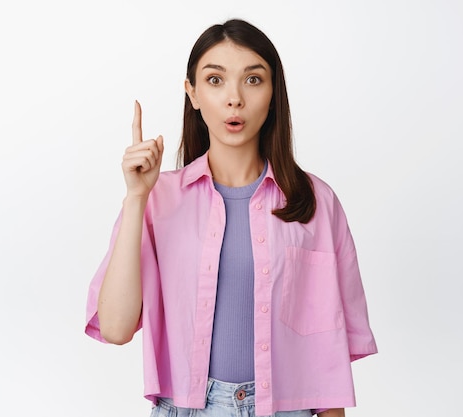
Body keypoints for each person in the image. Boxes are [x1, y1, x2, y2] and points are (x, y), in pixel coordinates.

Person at [85, 19, 377, 417]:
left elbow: (328, 365)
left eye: (253, 80)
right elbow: (117, 328)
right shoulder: (157, 199)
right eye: (215, 80)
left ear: (273, 93)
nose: (234, 99)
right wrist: (136, 198)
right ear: (193, 93)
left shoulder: (316, 203)